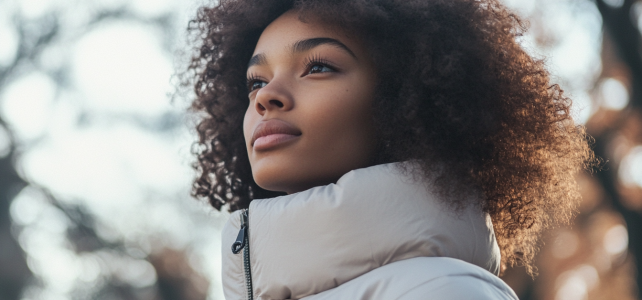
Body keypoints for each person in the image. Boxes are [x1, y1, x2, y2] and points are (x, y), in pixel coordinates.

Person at [186, 0, 596, 299]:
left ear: (407, 98)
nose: (266, 97)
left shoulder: (444, 291)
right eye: (255, 82)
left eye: (319, 67)